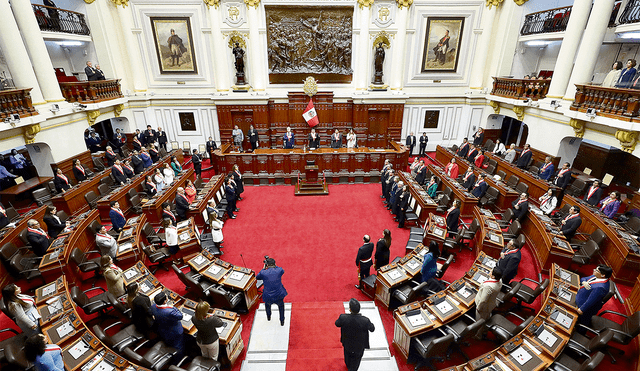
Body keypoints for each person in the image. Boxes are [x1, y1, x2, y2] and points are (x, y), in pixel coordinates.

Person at [335, 298, 375, 371]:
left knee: (347, 358)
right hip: (359, 346)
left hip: (347, 343)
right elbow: (372, 329)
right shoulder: (365, 320)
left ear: (350, 309)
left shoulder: (343, 318)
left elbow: (337, 324)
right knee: (356, 362)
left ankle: (349, 366)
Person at [151, 292, 184, 358]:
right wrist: (173, 307)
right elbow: (180, 316)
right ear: (165, 301)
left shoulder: (153, 306)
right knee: (178, 346)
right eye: (166, 297)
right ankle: (179, 357)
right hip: (175, 332)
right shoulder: (170, 311)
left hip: (162, 329)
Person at [257, 256, 288, 326]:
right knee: (281, 307)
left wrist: (264, 268)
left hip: (268, 296)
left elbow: (257, 277)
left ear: (267, 265)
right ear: (275, 264)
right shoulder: (279, 270)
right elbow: (281, 270)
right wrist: (274, 266)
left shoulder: (263, 272)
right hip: (279, 294)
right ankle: (282, 321)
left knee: (267, 305)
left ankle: (268, 317)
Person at [474, 267, 503, 339]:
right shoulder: (500, 280)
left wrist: (478, 308)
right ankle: (484, 331)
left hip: (484, 307)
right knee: (486, 317)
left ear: (493, 276)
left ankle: (478, 335)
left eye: (491, 271)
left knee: (480, 322)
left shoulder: (488, 286)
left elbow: (483, 300)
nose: (489, 271)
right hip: (491, 303)